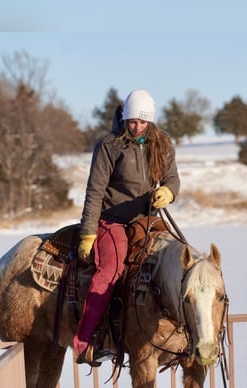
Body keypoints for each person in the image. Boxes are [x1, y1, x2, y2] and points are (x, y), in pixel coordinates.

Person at [73, 89, 180, 365]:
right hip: (113, 218)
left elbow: (172, 179)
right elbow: (95, 191)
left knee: (173, 260)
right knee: (111, 269)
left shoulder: (162, 143)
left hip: (146, 218)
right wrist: (88, 232)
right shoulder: (110, 145)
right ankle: (86, 341)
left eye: (142, 122)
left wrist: (167, 192)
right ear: (125, 118)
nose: (137, 127)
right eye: (132, 121)